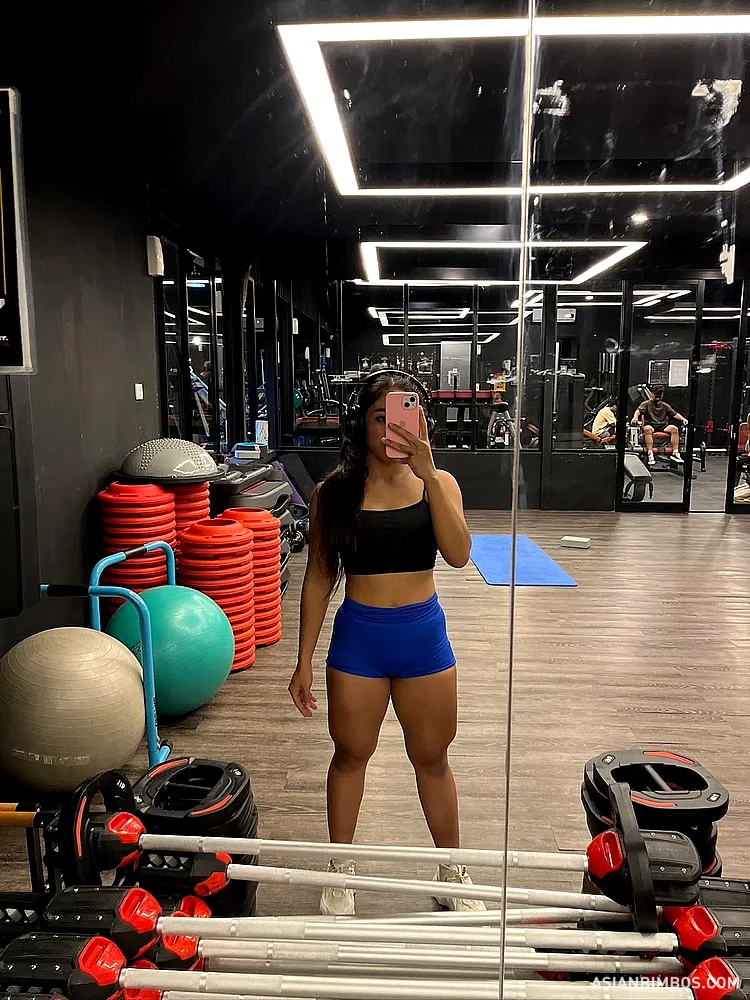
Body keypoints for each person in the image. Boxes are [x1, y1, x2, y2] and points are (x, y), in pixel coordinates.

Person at [288, 371, 483, 916]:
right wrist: (303, 661)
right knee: (350, 755)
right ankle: (340, 868)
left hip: (423, 638)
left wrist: (430, 474)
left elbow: (459, 555)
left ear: (420, 421)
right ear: (361, 424)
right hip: (360, 639)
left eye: (403, 415)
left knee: (433, 758)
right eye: (380, 417)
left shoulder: (440, 483)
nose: (392, 428)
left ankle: (451, 870)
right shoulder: (333, 493)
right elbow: (319, 577)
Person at [630, 385, 688, 465]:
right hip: (650, 425)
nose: (658, 398)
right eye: (656, 396)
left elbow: (675, 414)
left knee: (674, 429)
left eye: (659, 396)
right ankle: (650, 453)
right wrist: (635, 418)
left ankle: (675, 453)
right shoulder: (646, 404)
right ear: (652, 394)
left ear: (662, 395)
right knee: (648, 429)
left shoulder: (664, 405)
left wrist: (684, 419)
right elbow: (638, 411)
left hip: (662, 426)